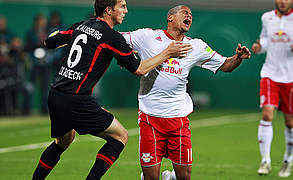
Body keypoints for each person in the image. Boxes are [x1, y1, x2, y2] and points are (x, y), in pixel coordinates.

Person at [31, 0, 191, 179]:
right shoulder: (112, 37)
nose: (126, 11)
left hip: (55, 95)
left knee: (63, 141)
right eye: (122, 6)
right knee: (120, 136)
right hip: (76, 100)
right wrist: (167, 53)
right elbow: (139, 69)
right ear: (108, 10)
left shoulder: (81, 26)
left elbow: (50, 42)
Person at [121, 5, 251, 180]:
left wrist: (237, 58)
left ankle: (171, 178)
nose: (189, 16)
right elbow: (115, 40)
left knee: (184, 177)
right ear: (171, 18)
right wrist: (125, 57)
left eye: (191, 15)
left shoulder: (196, 46)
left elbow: (226, 65)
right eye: (185, 13)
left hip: (178, 120)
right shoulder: (147, 37)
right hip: (150, 118)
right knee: (150, 177)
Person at [251, 0, 293, 177]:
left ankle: (288, 159)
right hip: (270, 73)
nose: (283, 1)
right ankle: (265, 161)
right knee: (267, 114)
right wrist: (259, 47)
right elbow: (265, 39)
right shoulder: (266, 17)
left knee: (289, 121)